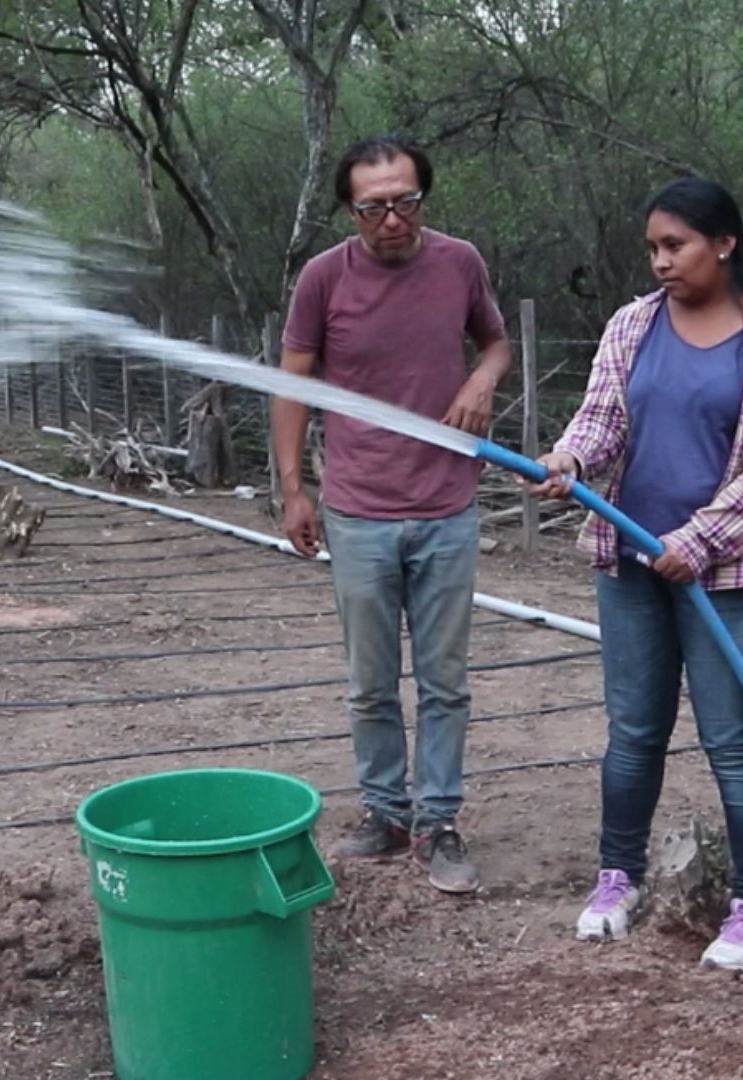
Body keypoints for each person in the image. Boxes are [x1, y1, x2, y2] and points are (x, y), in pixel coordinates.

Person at [530, 177, 743, 971]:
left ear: (724, 242)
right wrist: (570, 458)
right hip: (631, 564)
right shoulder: (633, 323)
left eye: (675, 246)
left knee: (732, 740)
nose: (660, 262)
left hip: (730, 576)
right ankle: (616, 878)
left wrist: (702, 538)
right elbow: (602, 416)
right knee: (634, 734)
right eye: (653, 248)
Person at [274, 134, 512, 894]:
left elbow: (499, 343)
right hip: (359, 511)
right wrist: (292, 488)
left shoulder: (460, 263)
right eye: (373, 207)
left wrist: (483, 378)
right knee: (370, 682)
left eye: (405, 201)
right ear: (351, 210)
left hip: (447, 507)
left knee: (444, 681)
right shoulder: (322, 279)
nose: (392, 219)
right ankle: (385, 811)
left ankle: (439, 821)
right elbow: (294, 385)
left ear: (422, 200)